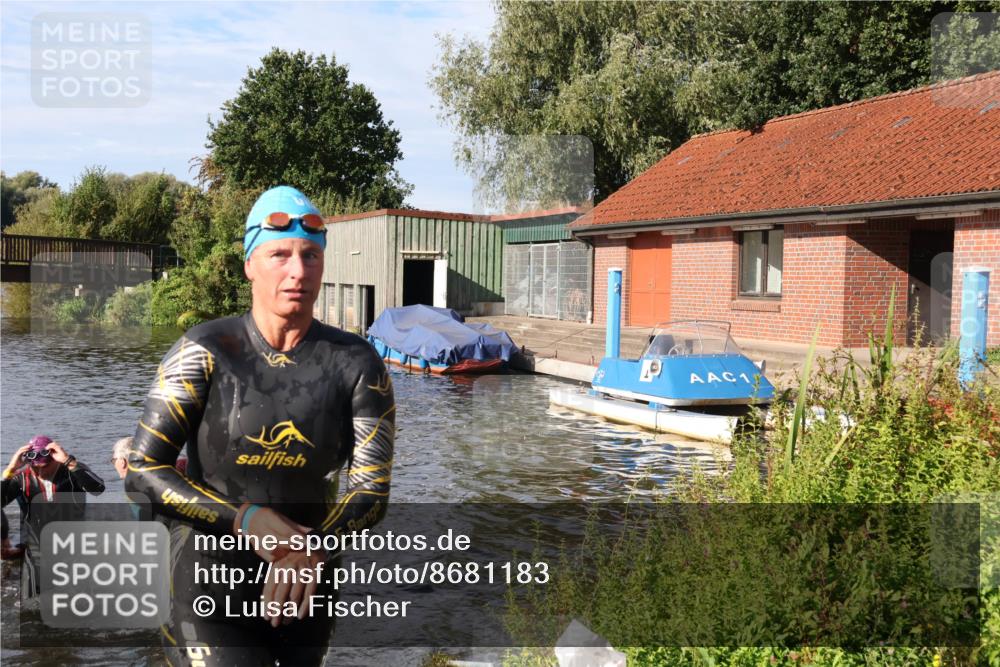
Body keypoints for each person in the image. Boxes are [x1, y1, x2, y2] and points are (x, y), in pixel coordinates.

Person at [125, 186, 395, 666]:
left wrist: (312, 548)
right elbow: (143, 472)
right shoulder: (203, 351)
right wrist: (246, 519)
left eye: (311, 255)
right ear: (249, 264)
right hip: (208, 576)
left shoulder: (358, 364)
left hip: (306, 577)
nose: (297, 271)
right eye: (279, 255)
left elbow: (370, 494)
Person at [1, 435, 105, 594]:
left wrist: (69, 461)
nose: (40, 470)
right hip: (35, 542)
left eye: (45, 465)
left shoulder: (72, 472)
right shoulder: (21, 478)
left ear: (55, 459)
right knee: (35, 594)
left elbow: (98, 488)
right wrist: (10, 470)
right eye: (35, 467)